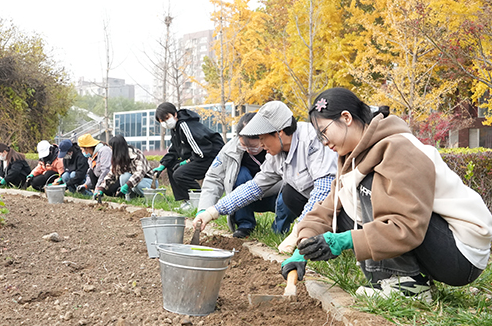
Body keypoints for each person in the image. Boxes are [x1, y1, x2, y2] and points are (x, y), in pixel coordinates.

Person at [281, 87, 492, 300]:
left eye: (324, 132)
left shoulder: (398, 148)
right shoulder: (354, 158)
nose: (324, 142)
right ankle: (393, 281)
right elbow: (326, 209)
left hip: (461, 252)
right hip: (433, 241)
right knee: (347, 201)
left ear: (346, 118)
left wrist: (346, 240)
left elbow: (408, 226)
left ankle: (409, 285)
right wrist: (303, 246)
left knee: (367, 185)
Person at [193, 100, 338, 240]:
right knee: (291, 194)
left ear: (279, 132)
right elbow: (254, 187)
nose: (261, 145)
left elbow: (324, 189)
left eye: (262, 138)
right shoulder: (276, 155)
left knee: (289, 194)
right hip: (310, 201)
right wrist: (213, 211)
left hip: (340, 205)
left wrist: (299, 230)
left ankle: (331, 233)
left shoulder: (312, 141)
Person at [198, 112, 295, 238]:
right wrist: (205, 210)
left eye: (254, 146)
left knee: (290, 193)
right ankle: (245, 224)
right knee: (241, 173)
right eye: (244, 146)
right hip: (244, 197)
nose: (249, 150)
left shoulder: (278, 148)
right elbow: (214, 178)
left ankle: (279, 230)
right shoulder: (230, 150)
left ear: (263, 137)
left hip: (276, 196)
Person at [152, 102, 225, 209]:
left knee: (180, 174)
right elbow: (174, 150)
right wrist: (162, 165)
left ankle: (200, 201)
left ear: (175, 114)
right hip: (201, 156)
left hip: (212, 158)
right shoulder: (175, 129)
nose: (165, 123)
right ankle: (186, 201)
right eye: (162, 121)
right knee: (172, 167)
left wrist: (187, 161)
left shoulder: (185, 125)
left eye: (166, 118)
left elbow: (202, 151)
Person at [94, 135, 153, 199]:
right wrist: (101, 189)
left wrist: (127, 185)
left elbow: (140, 173)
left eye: (112, 148)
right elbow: (112, 174)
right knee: (124, 176)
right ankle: (130, 198)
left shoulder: (136, 154)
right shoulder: (118, 159)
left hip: (147, 181)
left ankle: (150, 198)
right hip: (133, 184)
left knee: (138, 185)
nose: (111, 151)